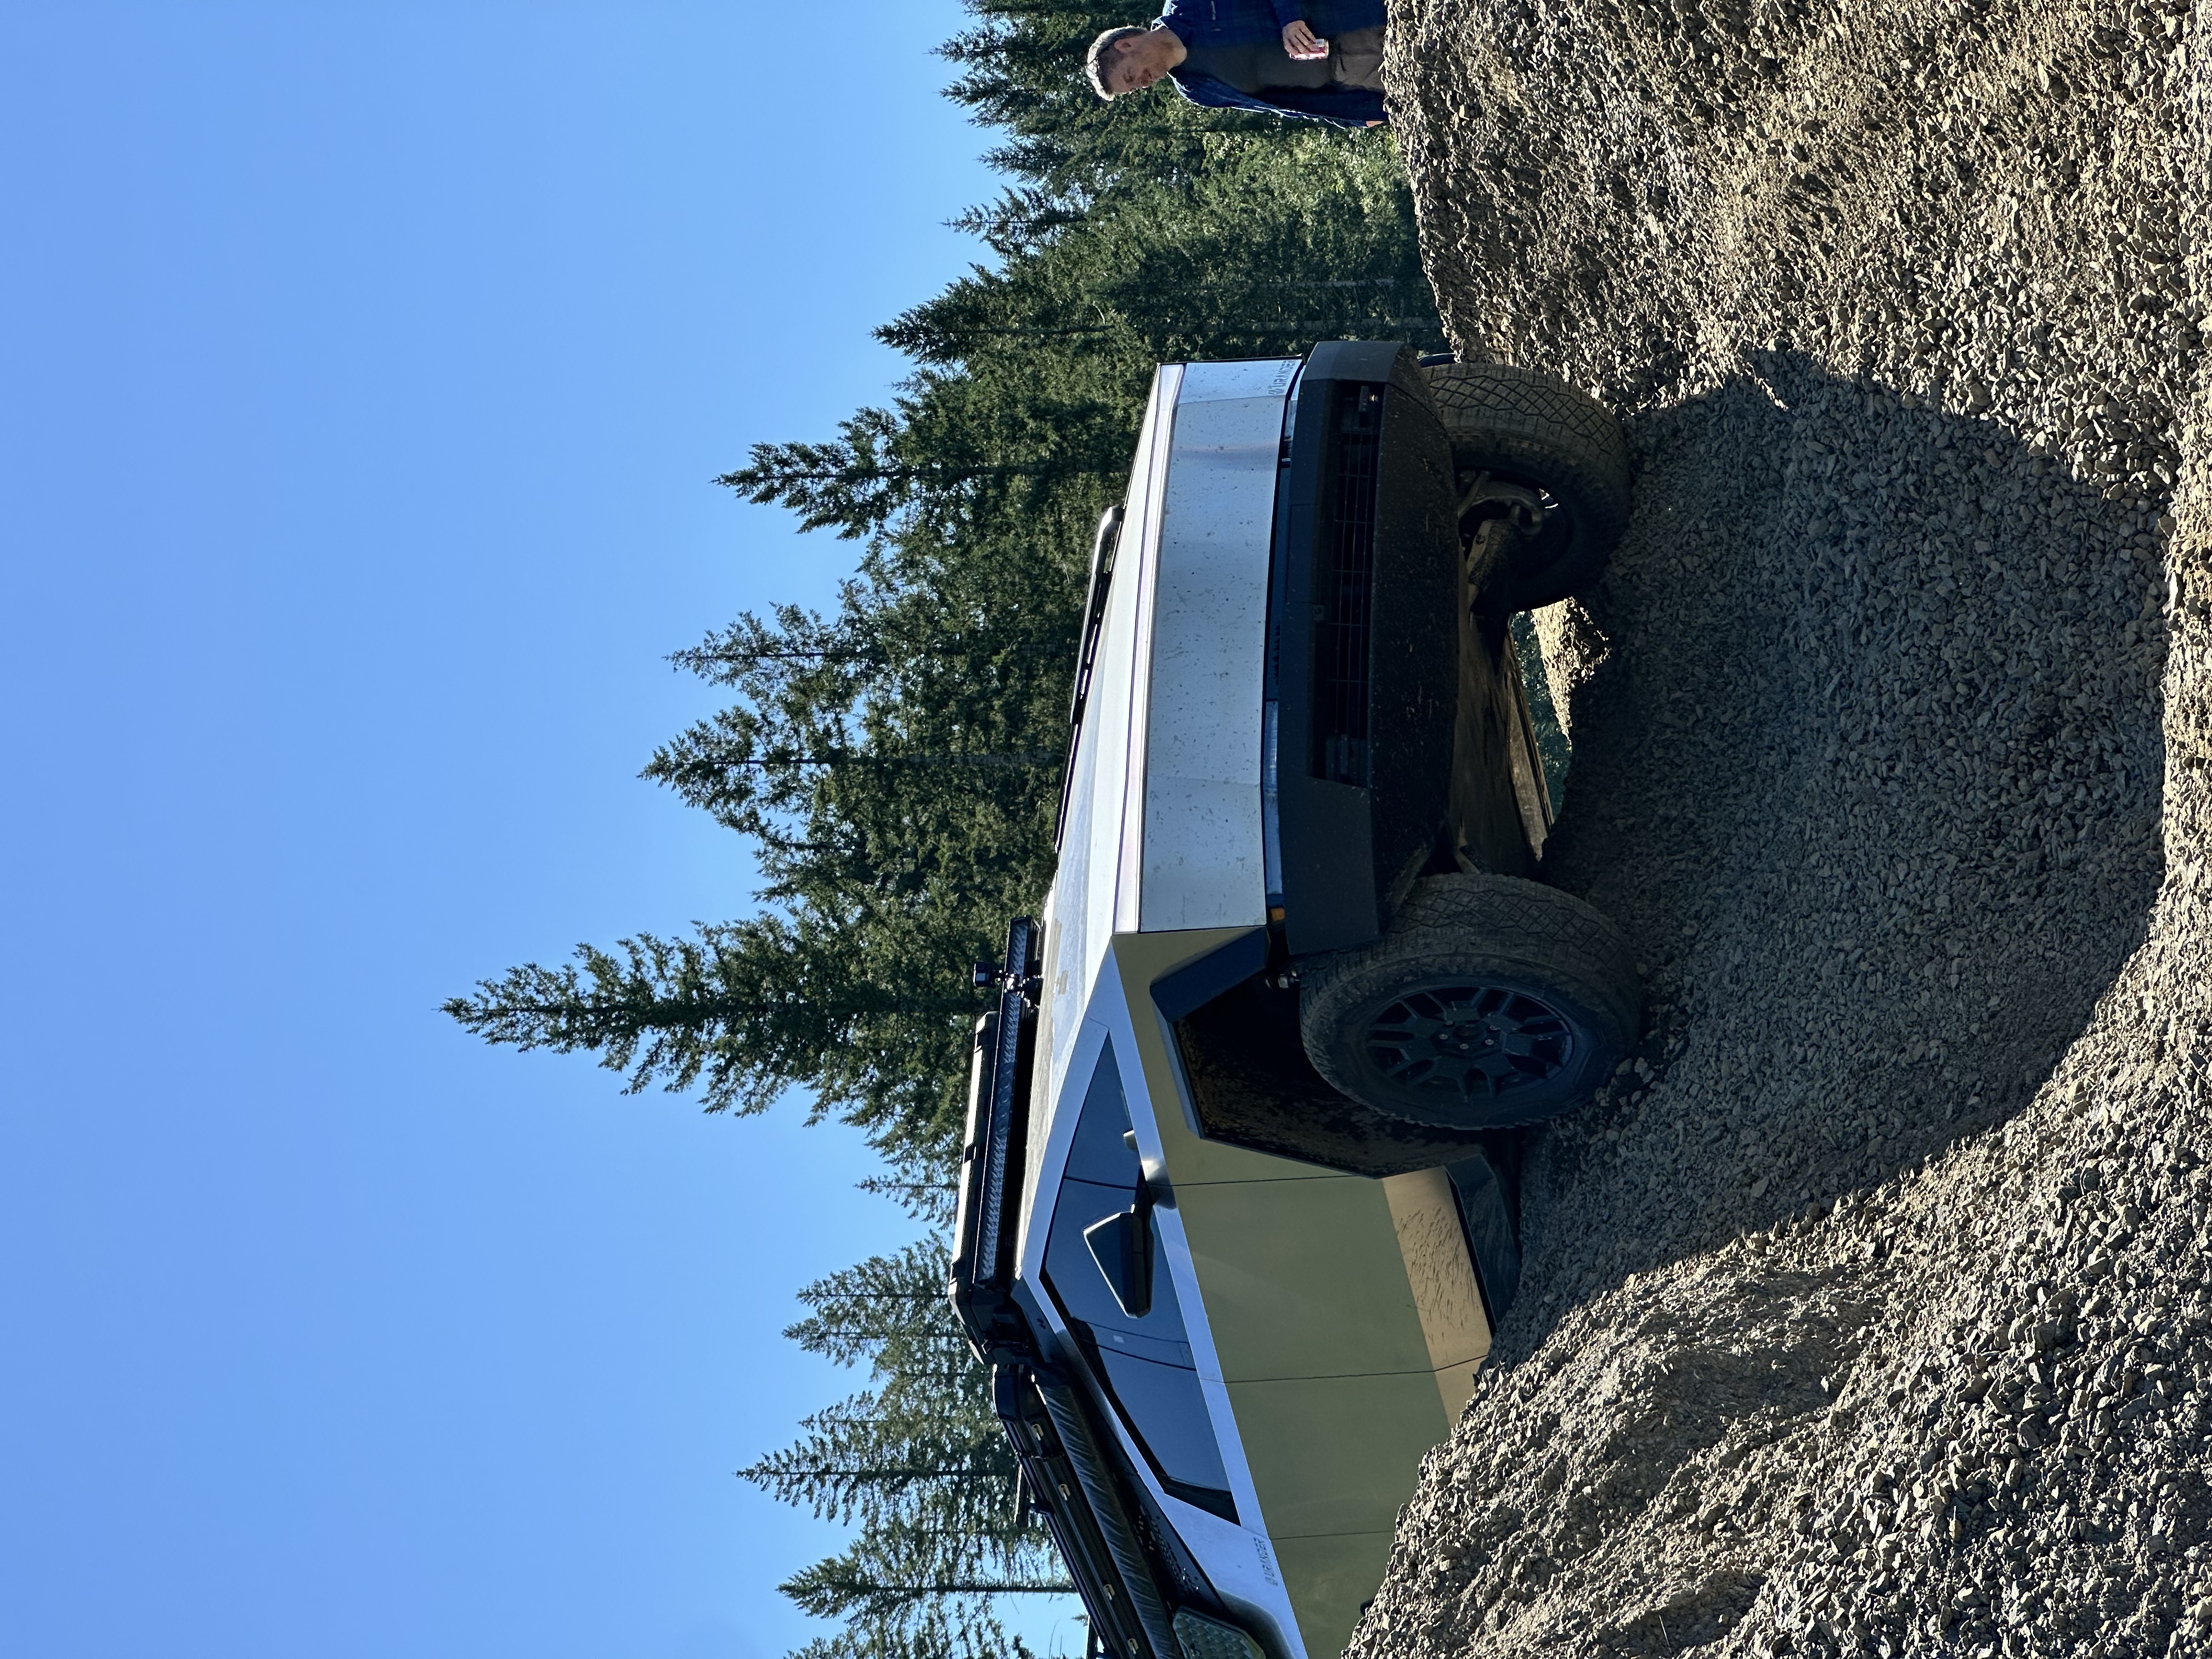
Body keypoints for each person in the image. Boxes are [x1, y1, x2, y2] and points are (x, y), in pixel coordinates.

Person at [1085, 1, 1389, 128]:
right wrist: (1351, 118)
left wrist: (1290, 17)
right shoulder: (1196, 90)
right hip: (1351, 80)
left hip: (1357, 20)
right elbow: (1276, 105)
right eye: (1134, 89)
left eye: (1131, 76)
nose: (1143, 84)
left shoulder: (1187, 3)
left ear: (1126, 45)